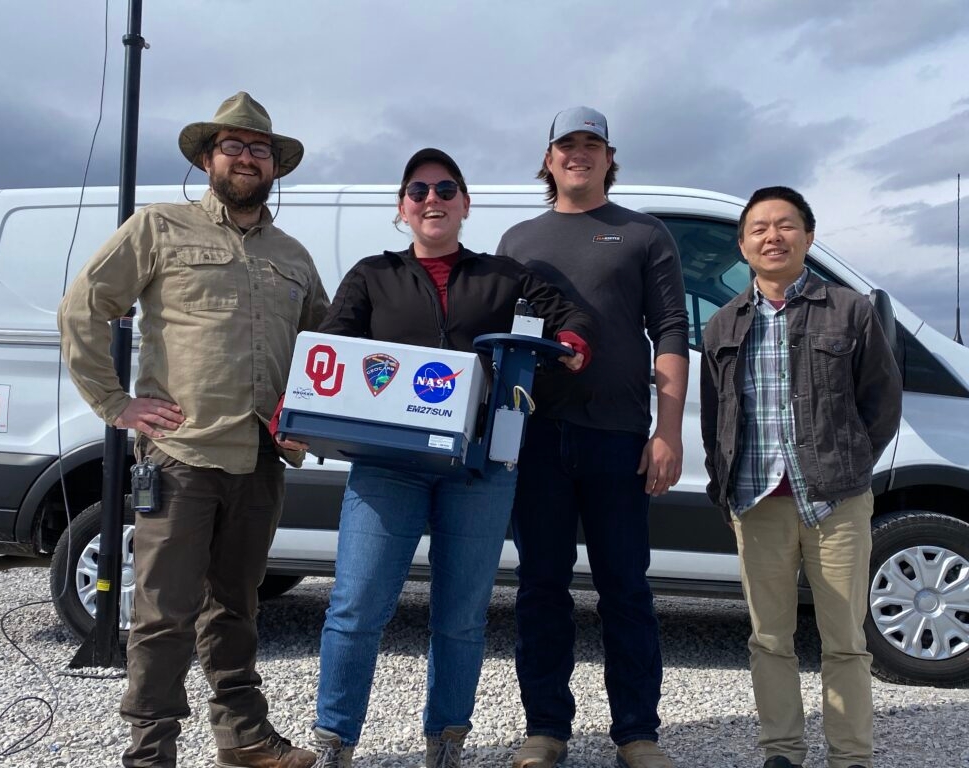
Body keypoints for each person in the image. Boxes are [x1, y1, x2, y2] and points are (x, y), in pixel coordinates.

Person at [298, 148, 593, 768]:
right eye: (419, 190)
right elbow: (329, 349)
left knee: (460, 616)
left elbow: (568, 318)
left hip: (478, 469)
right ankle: (334, 740)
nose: (432, 199)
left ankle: (446, 742)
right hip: (386, 466)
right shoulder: (371, 275)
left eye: (446, 189)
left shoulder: (505, 277)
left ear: (465, 203)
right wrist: (295, 410)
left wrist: (569, 342)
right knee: (357, 607)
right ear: (402, 208)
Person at [58, 92, 329, 768]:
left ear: (275, 166)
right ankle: (151, 754)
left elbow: (325, 346)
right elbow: (85, 307)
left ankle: (243, 737)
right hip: (182, 455)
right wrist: (116, 405)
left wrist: (308, 420)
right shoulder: (159, 227)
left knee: (236, 607)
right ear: (208, 158)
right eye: (232, 146)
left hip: (261, 459)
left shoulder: (294, 256)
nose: (246, 156)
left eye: (259, 148)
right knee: (162, 614)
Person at [495, 107, 689, 768]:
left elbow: (670, 332)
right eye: (566, 145)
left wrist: (668, 433)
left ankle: (637, 734)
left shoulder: (643, 234)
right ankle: (545, 728)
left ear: (610, 158)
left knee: (626, 589)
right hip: (537, 439)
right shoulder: (518, 240)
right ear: (548, 160)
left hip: (619, 437)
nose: (578, 154)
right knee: (541, 587)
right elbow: (495, 341)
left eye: (591, 144)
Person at [699, 187, 901, 768]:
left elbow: (881, 405)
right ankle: (782, 752)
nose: (772, 236)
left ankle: (850, 756)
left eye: (785, 225)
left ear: (808, 237)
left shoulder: (849, 310)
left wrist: (850, 464)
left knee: (845, 641)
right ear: (742, 245)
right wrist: (725, 486)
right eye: (759, 228)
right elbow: (717, 419)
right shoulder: (722, 325)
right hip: (757, 501)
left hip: (835, 499)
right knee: (768, 639)